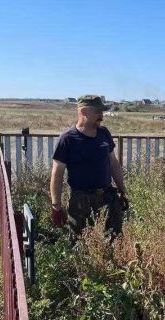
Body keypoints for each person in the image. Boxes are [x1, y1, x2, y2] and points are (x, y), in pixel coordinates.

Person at [49, 95, 128, 238]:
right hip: (81, 201)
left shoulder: (104, 133)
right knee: (81, 242)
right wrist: (56, 206)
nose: (102, 116)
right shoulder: (67, 139)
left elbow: (113, 163)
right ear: (84, 112)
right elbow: (57, 174)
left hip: (107, 197)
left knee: (114, 239)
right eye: (98, 112)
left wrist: (122, 190)